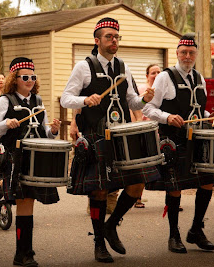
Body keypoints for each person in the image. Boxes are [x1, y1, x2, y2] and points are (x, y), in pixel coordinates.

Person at [60, 17, 157, 263]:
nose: (114, 40)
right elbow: (65, 98)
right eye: (108, 37)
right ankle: (99, 243)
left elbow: (132, 102)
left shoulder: (124, 67)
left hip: (122, 136)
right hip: (97, 135)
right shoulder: (84, 67)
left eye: (116, 37)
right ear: (97, 40)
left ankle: (111, 225)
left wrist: (145, 99)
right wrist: (84, 100)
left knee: (137, 185)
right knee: (100, 190)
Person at [143, 35, 214, 254]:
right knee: (175, 188)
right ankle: (173, 235)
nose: (187, 56)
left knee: (207, 183)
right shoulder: (165, 77)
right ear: (177, 53)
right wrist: (167, 117)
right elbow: (149, 109)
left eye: (191, 52)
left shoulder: (199, 77)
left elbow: (196, 111)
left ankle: (196, 229)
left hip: (197, 139)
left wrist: (209, 116)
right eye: (184, 52)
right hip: (173, 141)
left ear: (196, 54)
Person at [0, 57, 61, 267]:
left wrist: (52, 130)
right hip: (15, 158)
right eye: (25, 77)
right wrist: (5, 124)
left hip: (36, 158)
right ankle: (23, 253)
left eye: (32, 77)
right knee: (24, 204)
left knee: (29, 203)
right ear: (15, 78)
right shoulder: (5, 100)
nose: (29, 80)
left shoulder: (37, 100)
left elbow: (43, 131)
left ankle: (24, 251)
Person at [133, 63, 162, 208]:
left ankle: (171, 200)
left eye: (158, 72)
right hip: (143, 132)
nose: (156, 75)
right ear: (147, 76)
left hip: (160, 132)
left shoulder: (164, 90)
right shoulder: (140, 90)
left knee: (165, 166)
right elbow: (133, 108)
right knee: (142, 166)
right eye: (153, 73)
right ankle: (137, 197)